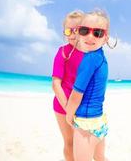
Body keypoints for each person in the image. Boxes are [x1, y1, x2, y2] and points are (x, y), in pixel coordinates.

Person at [66, 10, 111, 161]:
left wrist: (69, 115)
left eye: (97, 33)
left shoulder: (89, 59)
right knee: (99, 157)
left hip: (86, 123)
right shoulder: (101, 57)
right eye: (84, 31)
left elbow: (76, 95)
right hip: (100, 121)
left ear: (105, 38)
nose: (90, 36)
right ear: (78, 33)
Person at [52, 10, 85, 161]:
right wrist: (68, 110)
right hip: (63, 106)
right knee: (70, 142)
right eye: (68, 30)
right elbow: (56, 84)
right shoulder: (63, 52)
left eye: (76, 30)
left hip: (83, 106)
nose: (71, 34)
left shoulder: (90, 53)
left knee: (84, 144)